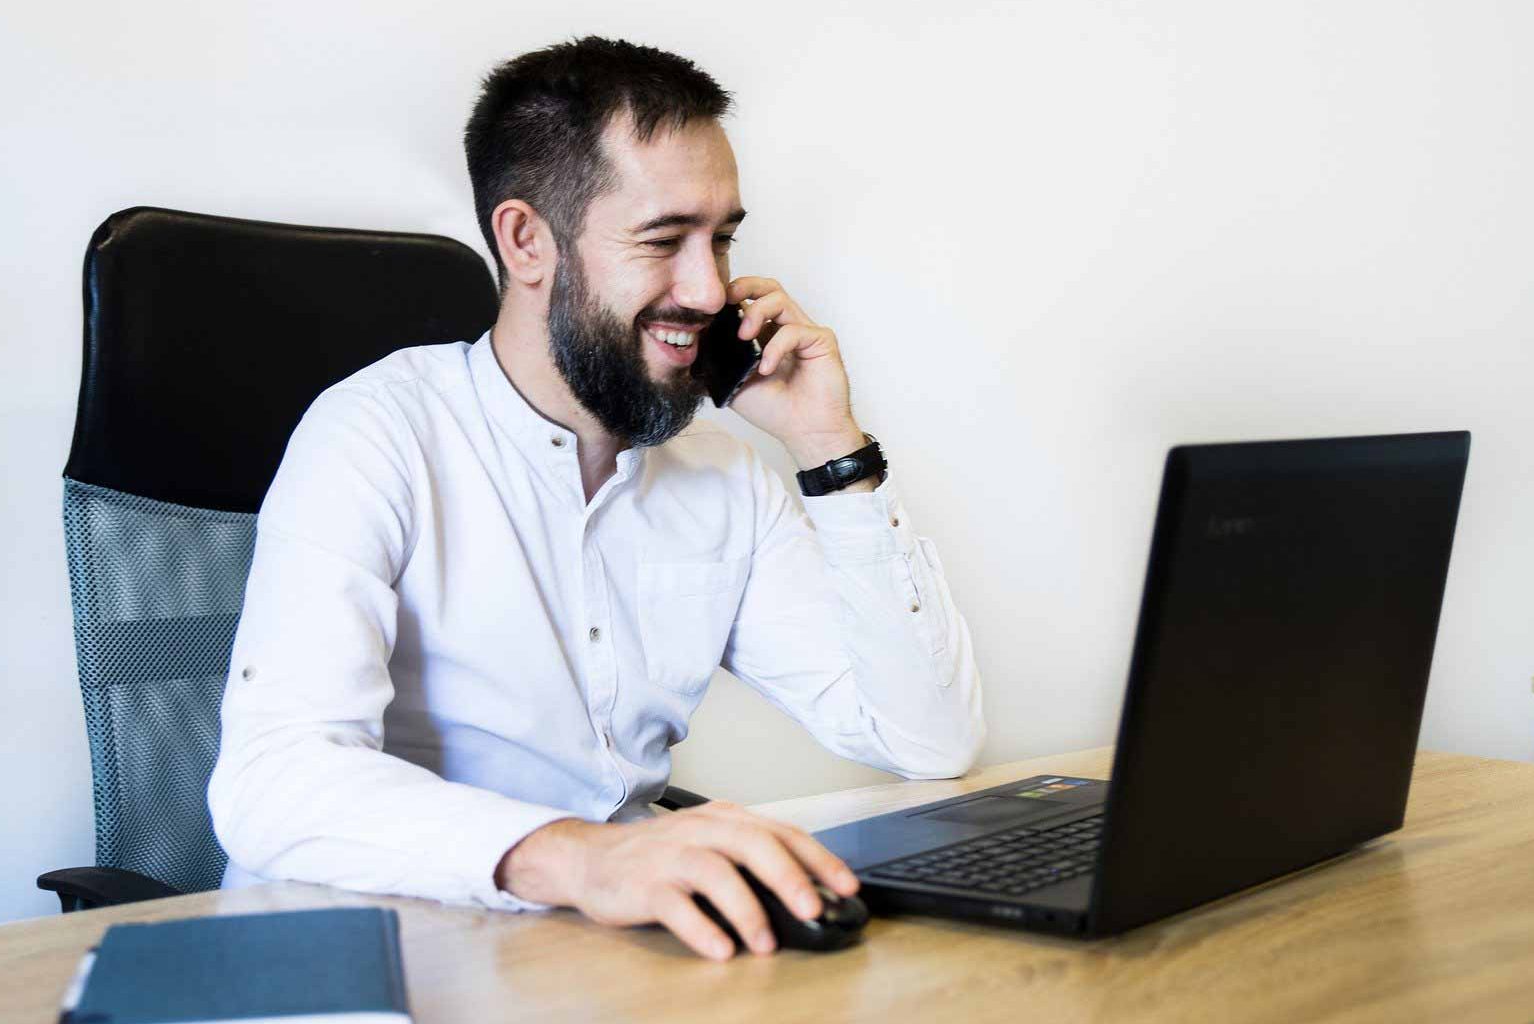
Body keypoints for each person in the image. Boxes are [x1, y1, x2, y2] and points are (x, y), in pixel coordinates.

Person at [207, 36, 985, 961]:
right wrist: (585, 862)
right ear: (526, 240)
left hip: (609, 955)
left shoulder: (721, 475)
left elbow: (927, 740)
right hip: (370, 956)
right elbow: (273, 782)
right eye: (663, 240)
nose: (708, 288)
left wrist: (830, 449)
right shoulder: (373, 434)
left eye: (723, 237)